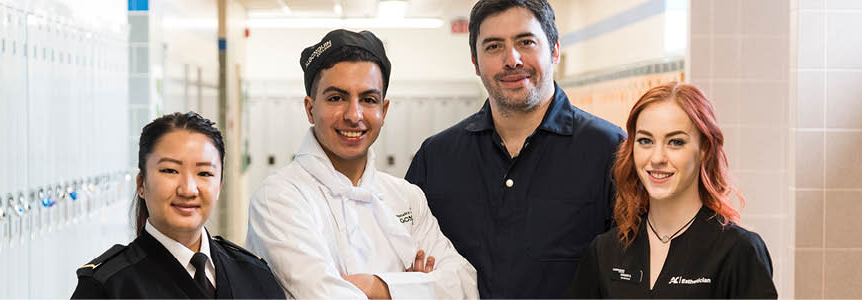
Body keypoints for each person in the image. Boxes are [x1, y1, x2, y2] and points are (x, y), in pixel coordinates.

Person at [404, 0, 625, 297]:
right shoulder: (436, 158)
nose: (512, 59)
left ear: (555, 49)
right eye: (494, 46)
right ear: (475, 61)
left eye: (526, 42)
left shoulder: (609, 150)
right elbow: (403, 258)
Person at [245, 29, 478, 299]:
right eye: (336, 98)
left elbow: (464, 285)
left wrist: (375, 287)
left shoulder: (407, 198)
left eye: (368, 100)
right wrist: (416, 289)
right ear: (310, 109)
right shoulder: (279, 199)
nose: (354, 115)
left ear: (384, 110)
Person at [566, 82, 778, 298]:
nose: (657, 158)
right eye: (645, 141)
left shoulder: (737, 251)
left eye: (676, 142)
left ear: (705, 149)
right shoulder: (605, 252)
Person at [71, 112, 285, 299]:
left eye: (204, 173)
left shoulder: (254, 274)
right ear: (141, 184)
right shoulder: (106, 287)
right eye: (170, 171)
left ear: (219, 186)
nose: (188, 189)